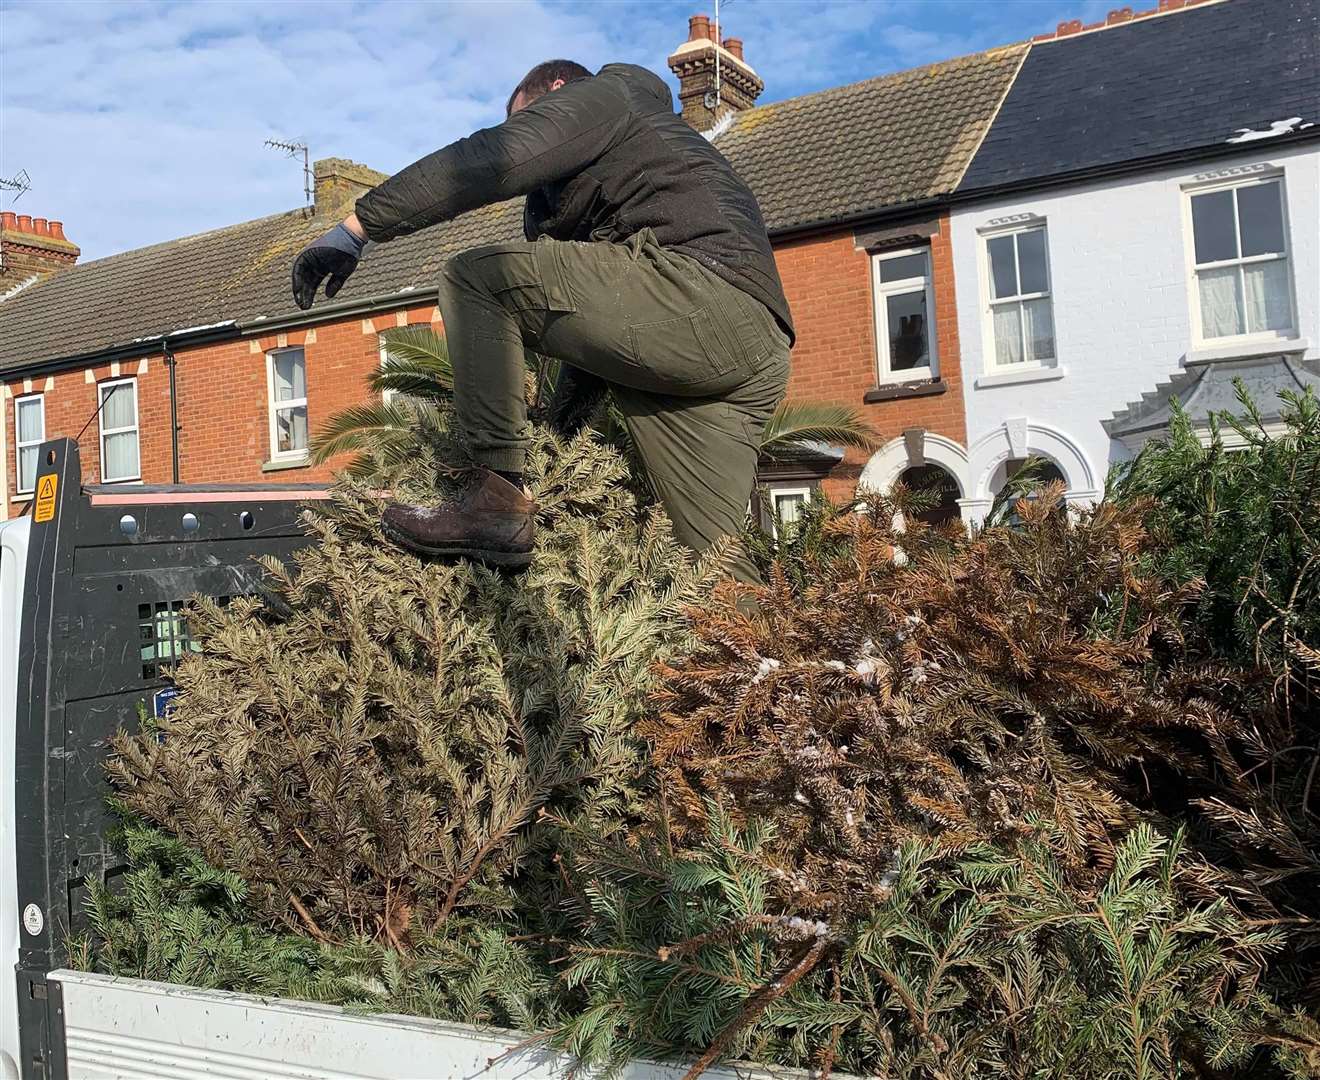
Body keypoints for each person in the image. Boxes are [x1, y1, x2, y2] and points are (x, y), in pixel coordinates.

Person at [291, 60, 793, 582]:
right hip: (749, 346)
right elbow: (600, 332)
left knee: (479, 277)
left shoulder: (606, 96)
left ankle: (492, 504)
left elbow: (486, 162)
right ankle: (766, 661)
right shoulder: (627, 172)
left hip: (699, 291)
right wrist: (556, 438)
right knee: (714, 574)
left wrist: (356, 228)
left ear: (555, 90)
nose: (527, 135)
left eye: (524, 119)